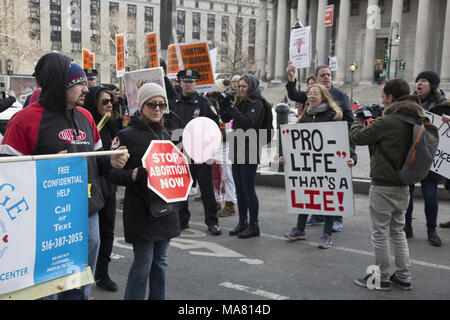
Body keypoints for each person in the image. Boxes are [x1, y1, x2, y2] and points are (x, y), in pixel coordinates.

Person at [0, 52, 129, 299]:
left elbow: (99, 161)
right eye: (79, 84)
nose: (85, 89)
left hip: (85, 209)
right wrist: (46, 167)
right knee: (45, 284)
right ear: (61, 85)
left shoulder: (87, 117)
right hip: (41, 219)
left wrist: (110, 160)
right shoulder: (23, 120)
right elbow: (7, 173)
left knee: (78, 279)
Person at [108, 83, 180, 300]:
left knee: (161, 262)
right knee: (143, 264)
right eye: (151, 104)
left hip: (165, 207)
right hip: (141, 209)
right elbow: (110, 172)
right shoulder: (125, 136)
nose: (157, 109)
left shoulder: (167, 135)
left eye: (161, 104)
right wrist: (133, 175)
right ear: (141, 106)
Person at [350, 78, 418, 291]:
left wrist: (359, 117)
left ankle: (381, 277)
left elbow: (358, 136)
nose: (382, 100)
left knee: (380, 232)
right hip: (404, 183)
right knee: (397, 230)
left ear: (390, 97)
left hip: (383, 185)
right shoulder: (416, 117)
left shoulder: (388, 121)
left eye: (382, 96)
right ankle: (404, 276)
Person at [282, 84, 356, 249]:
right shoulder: (305, 117)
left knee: (327, 199)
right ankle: (300, 229)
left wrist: (352, 157)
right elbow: (296, 143)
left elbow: (344, 140)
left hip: (329, 166)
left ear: (323, 96)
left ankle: (326, 234)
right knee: (305, 196)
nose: (311, 96)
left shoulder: (334, 116)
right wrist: (285, 156)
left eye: (315, 93)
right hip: (310, 166)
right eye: (309, 93)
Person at [164, 69, 222, 236]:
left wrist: (209, 147)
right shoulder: (173, 103)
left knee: (206, 188)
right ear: (180, 83)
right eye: (185, 81)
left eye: (191, 81)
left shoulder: (204, 103)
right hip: (180, 152)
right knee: (181, 189)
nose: (188, 84)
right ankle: (182, 220)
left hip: (200, 153)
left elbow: (214, 127)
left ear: (196, 83)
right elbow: (166, 124)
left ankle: (212, 221)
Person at [84, 86, 123, 292]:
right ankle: (82, 277)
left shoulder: (113, 124)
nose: (109, 105)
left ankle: (102, 273)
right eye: (104, 102)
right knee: (89, 236)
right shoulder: (86, 124)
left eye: (111, 101)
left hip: (108, 184)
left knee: (107, 231)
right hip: (90, 187)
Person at [404, 71, 450, 246]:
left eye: (423, 81)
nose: (419, 84)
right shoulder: (408, 103)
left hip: (432, 158)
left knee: (430, 195)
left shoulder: (444, 106)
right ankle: (407, 226)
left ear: (433, 85)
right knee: (406, 194)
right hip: (412, 155)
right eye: (417, 81)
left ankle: (431, 230)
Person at [218, 74, 265, 239]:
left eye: (244, 86)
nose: (240, 89)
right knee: (239, 189)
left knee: (248, 189)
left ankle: (254, 225)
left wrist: (232, 108)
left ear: (251, 87)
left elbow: (247, 122)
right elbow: (226, 119)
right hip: (237, 145)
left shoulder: (257, 102)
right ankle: (242, 221)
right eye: (239, 86)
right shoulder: (240, 100)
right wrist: (224, 105)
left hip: (250, 147)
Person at [208, 78, 237, 217]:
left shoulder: (231, 115)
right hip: (215, 147)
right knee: (214, 175)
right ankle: (216, 200)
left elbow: (231, 133)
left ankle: (230, 202)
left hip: (227, 148)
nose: (219, 104)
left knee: (227, 175)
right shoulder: (214, 113)